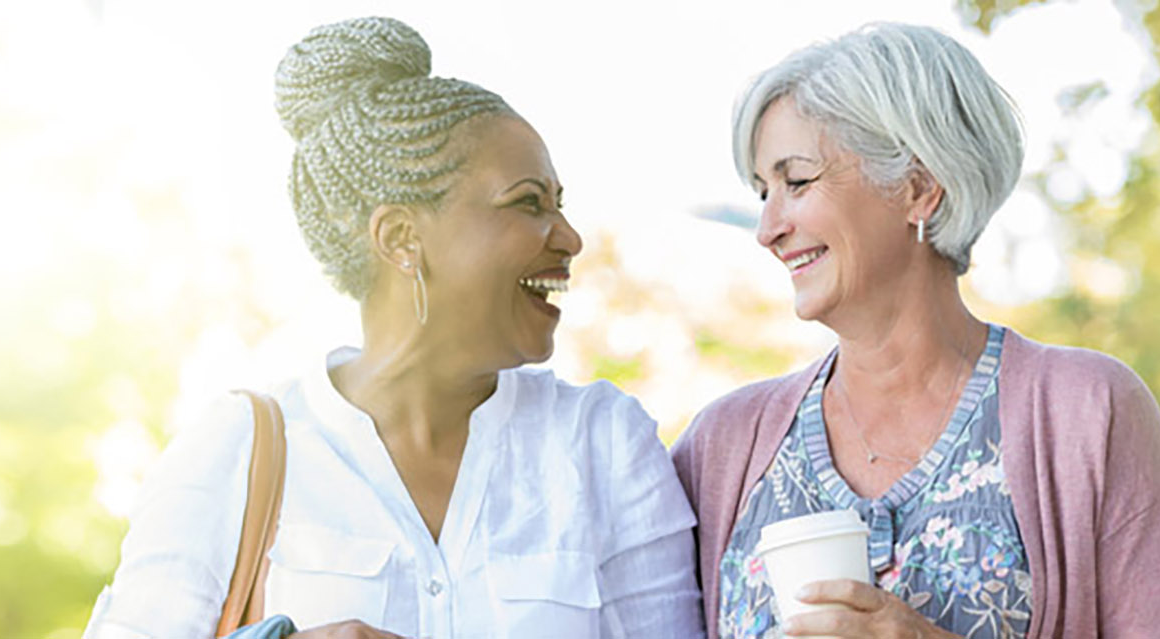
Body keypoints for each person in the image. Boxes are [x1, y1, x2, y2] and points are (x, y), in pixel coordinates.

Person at [83, 16, 703, 639]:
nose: (569, 238)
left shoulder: (604, 444)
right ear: (402, 238)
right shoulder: (239, 448)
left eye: (558, 205)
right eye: (527, 203)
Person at [671, 23, 1160, 639]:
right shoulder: (719, 448)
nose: (767, 228)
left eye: (796, 182)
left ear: (919, 188)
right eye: (762, 191)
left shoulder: (1087, 412)